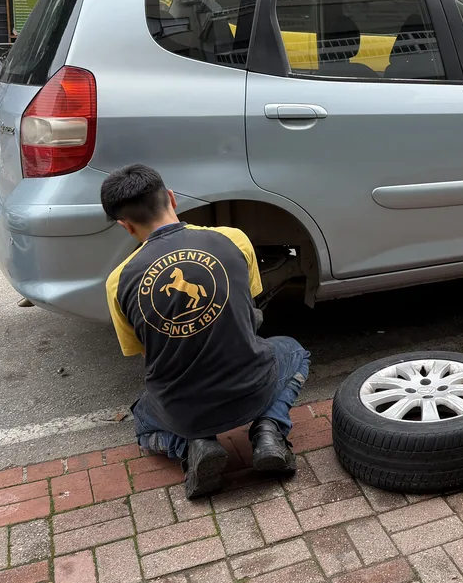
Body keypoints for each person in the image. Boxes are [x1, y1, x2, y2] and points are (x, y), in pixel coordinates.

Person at [101, 164, 310, 499]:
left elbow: (148, 352)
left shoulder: (118, 281)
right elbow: (250, 312)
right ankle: (269, 429)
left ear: (125, 226)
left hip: (183, 409)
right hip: (250, 387)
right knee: (293, 350)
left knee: (142, 417)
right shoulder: (233, 239)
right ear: (171, 198)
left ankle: (193, 447)